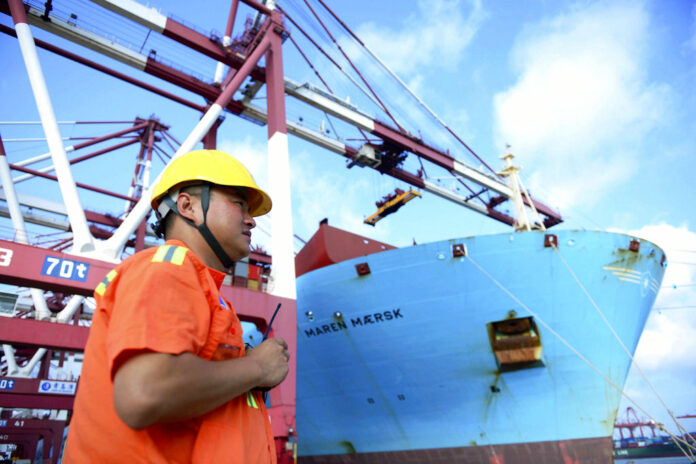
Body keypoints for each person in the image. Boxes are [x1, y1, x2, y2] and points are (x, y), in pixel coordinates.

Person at [64, 149, 290, 463]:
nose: (251, 220)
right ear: (188, 207)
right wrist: (257, 368)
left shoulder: (202, 289)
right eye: (240, 204)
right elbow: (146, 392)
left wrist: (238, 365)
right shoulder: (168, 268)